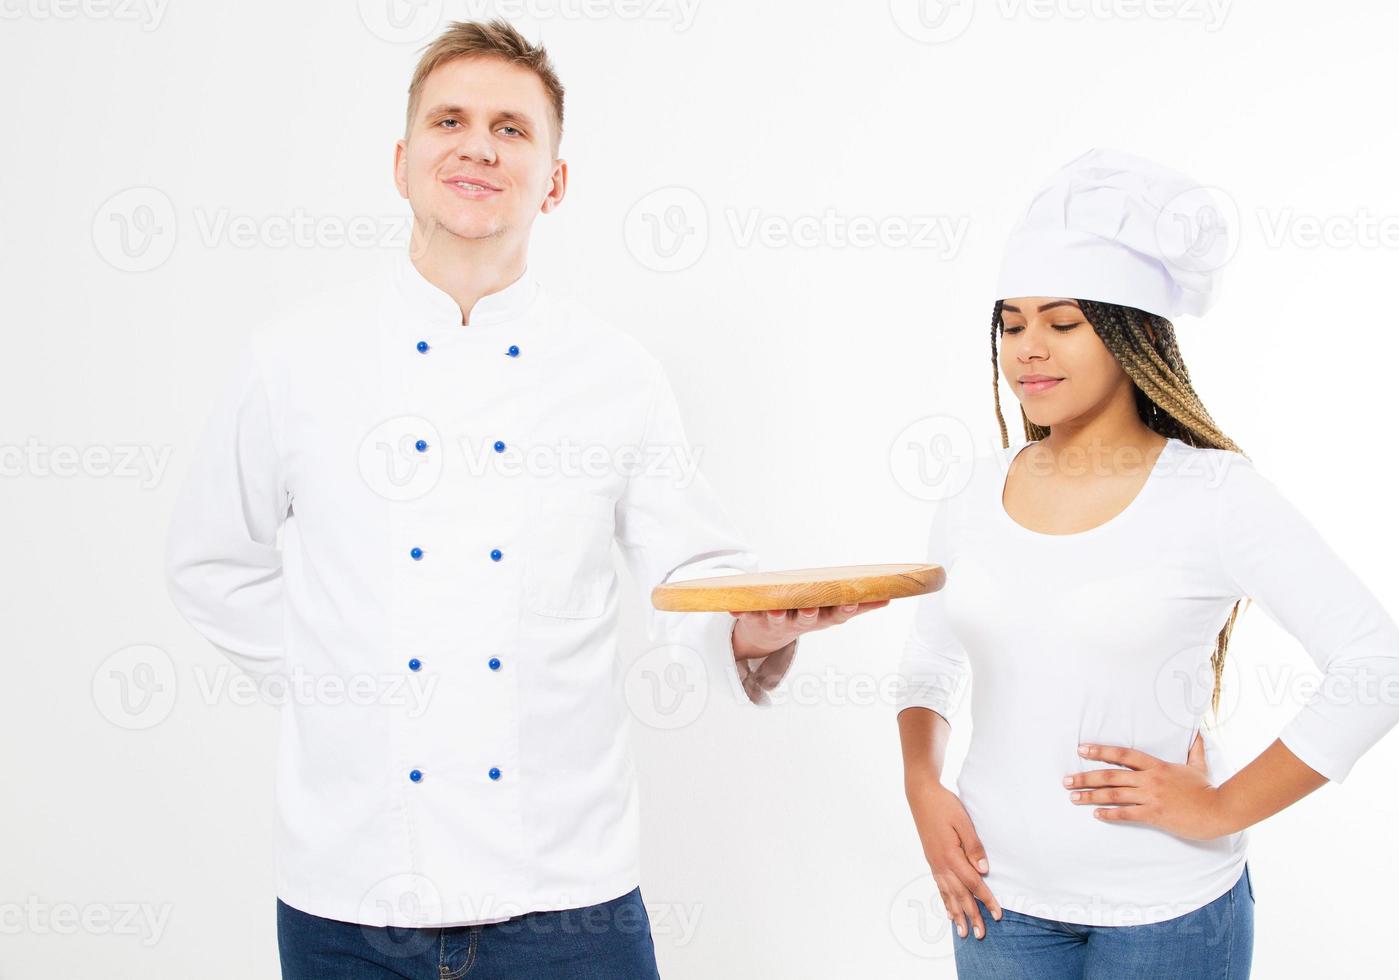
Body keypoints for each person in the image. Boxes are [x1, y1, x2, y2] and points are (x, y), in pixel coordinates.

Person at [163, 19, 881, 978]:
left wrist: (753, 626)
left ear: (554, 178)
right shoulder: (292, 358)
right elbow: (213, 561)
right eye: (448, 120)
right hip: (349, 894)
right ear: (401, 160)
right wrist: (343, 679)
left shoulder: (616, 373)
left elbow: (691, 572)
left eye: (512, 129)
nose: (477, 146)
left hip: (567, 903)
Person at [895, 148, 1399, 979]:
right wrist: (922, 789)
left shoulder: (1213, 494)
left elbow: (1381, 669)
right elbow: (926, 665)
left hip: (1164, 918)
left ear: (1130, 333)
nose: (1028, 348)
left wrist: (1222, 807)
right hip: (998, 900)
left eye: (1062, 322)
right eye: (1011, 322)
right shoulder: (974, 488)